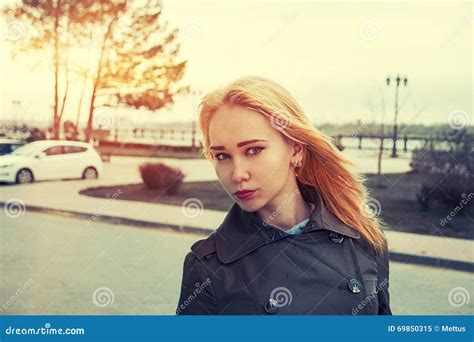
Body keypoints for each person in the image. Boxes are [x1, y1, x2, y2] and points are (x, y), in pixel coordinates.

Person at [176, 76, 392, 315]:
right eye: (222, 156)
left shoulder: (363, 237)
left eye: (254, 150)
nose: (238, 174)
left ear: (295, 149)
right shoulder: (209, 268)